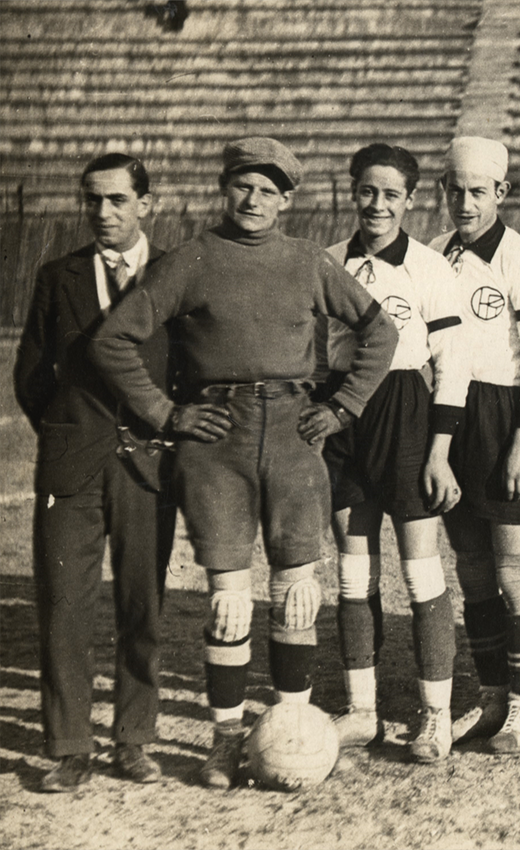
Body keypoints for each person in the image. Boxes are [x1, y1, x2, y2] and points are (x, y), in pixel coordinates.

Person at [91, 136, 399, 788]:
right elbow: (114, 339)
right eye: (242, 186)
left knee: (296, 594)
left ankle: (291, 724)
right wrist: (167, 414)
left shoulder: (308, 259)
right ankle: (226, 740)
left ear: (286, 200)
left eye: (268, 190)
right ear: (224, 189)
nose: (253, 200)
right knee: (228, 603)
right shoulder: (192, 259)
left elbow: (380, 330)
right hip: (215, 441)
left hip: (292, 431)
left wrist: (343, 407)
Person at [14, 153, 177, 790]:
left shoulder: (174, 275)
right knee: (64, 607)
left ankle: (133, 741)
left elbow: (185, 370)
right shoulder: (58, 276)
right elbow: (30, 377)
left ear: (146, 203)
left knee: (144, 606)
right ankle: (69, 746)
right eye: (92, 201)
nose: (102, 214)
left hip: (147, 467)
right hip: (71, 467)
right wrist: (69, 434)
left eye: (116, 200)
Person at [322, 143, 469, 763]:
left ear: (411, 200)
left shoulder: (432, 268)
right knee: (355, 573)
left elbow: (453, 365)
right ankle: (362, 710)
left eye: (391, 194)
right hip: (342, 418)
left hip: (407, 413)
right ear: (352, 192)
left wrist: (439, 452)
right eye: (367, 191)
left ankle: (435, 716)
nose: (377, 204)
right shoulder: (327, 262)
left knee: (421, 570)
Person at [429, 137, 520, 757]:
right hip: (449, 419)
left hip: (505, 417)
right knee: (473, 570)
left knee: (515, 567)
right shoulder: (432, 254)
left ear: (501, 194)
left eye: (478, 191)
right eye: (455, 189)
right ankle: (491, 697)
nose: (464, 201)